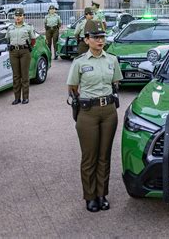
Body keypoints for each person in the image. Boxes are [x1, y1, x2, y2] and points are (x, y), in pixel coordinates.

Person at [67, 19, 123, 213]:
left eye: (102, 37)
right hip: (88, 112)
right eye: (96, 37)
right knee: (89, 156)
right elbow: (73, 88)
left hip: (108, 111)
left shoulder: (112, 60)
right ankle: (90, 196)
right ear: (87, 39)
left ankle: (102, 194)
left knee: (104, 155)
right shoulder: (79, 62)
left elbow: (116, 83)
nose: (100, 40)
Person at [6, 8, 36, 105]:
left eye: (20, 15)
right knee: (16, 76)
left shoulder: (28, 27)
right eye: (16, 16)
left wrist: (28, 48)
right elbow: (7, 39)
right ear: (14, 17)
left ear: (23, 16)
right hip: (13, 52)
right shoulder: (10, 28)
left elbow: (33, 40)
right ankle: (17, 98)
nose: (18, 17)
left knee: (24, 75)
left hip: (24, 52)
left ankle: (25, 98)